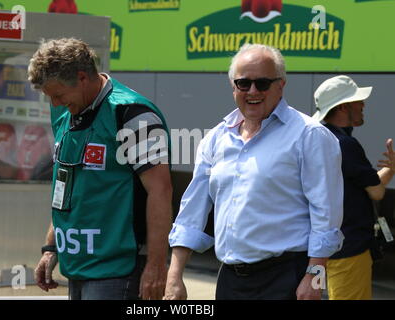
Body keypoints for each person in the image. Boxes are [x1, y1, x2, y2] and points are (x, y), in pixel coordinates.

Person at [164, 44, 344, 300]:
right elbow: (192, 211)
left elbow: (326, 212)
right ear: (232, 86)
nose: (252, 91)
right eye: (243, 83)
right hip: (230, 280)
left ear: (281, 85)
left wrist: (315, 276)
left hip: (287, 278)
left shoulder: (309, 135)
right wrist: (174, 276)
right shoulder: (216, 138)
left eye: (262, 83)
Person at [28, 38, 173, 300]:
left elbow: (161, 191)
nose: (57, 104)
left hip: (119, 271)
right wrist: (51, 247)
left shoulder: (131, 113)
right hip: (78, 266)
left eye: (59, 95)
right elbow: (66, 182)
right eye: (50, 98)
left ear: (82, 77)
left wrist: (156, 266)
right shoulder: (64, 111)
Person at [312, 75, 395, 300]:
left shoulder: (318, 138)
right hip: (348, 250)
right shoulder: (345, 144)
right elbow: (376, 191)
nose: (363, 105)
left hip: (320, 250)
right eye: (358, 101)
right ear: (343, 107)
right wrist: (391, 168)